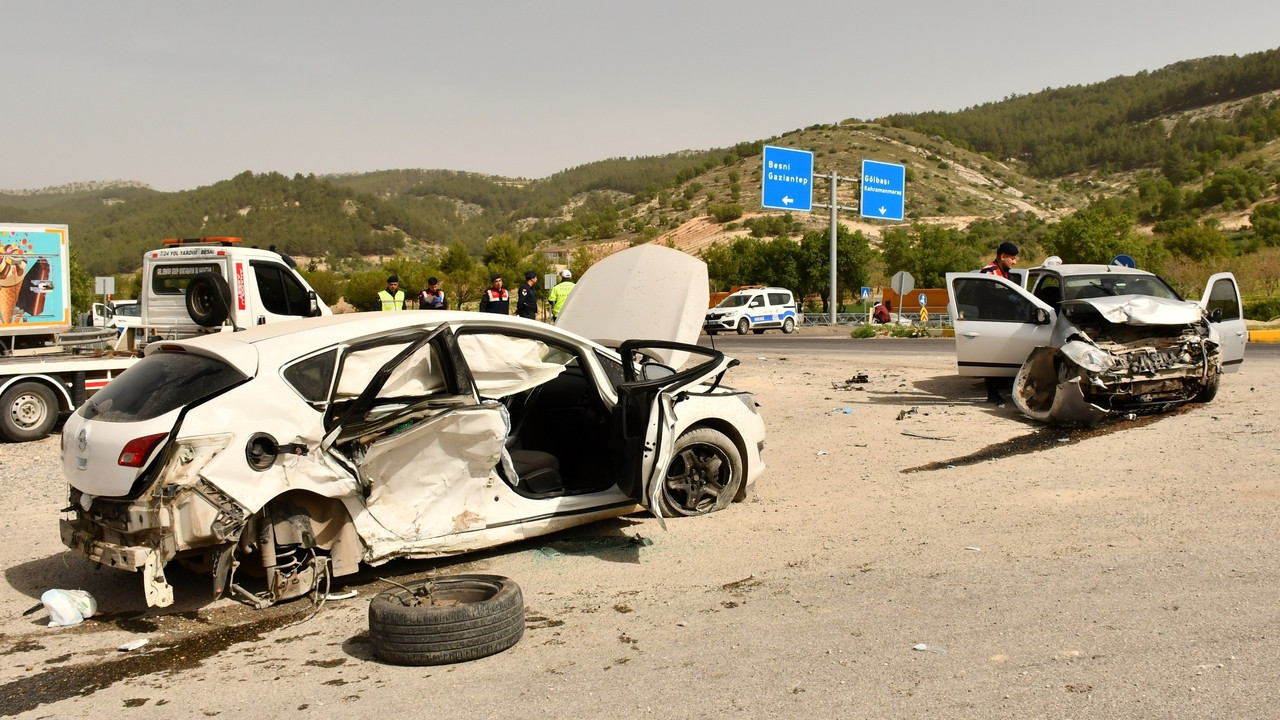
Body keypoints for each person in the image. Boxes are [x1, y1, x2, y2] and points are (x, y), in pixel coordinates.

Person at [978, 242, 1019, 403]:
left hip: (1003, 321)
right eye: (1012, 258)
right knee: (992, 357)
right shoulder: (989, 272)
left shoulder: (1005, 273)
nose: (1015, 262)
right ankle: (992, 393)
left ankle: (1001, 387)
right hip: (990, 320)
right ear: (1003, 256)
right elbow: (989, 298)